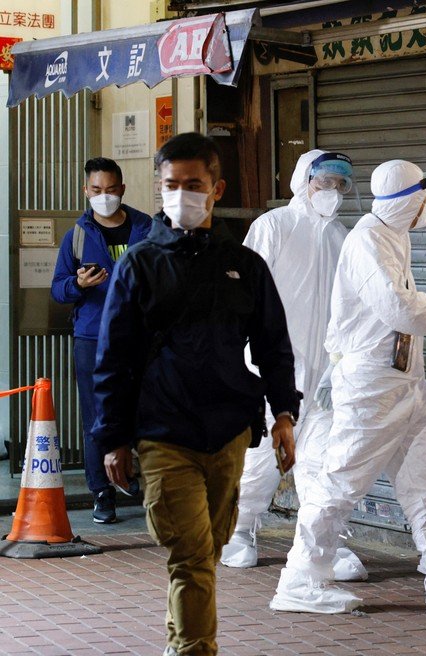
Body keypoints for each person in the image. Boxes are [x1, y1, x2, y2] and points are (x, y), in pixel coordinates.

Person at [270, 159, 426, 617]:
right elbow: (399, 310)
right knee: (341, 481)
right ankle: (301, 579)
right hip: (372, 389)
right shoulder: (366, 240)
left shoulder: (392, 237)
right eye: (423, 198)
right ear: (408, 201)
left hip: (404, 384)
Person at [91, 132, 299, 656]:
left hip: (228, 432)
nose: (181, 194)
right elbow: (112, 359)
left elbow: (274, 346)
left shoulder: (244, 265)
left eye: (193, 185)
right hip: (163, 432)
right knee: (189, 554)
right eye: (170, 185)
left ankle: (178, 643)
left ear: (216, 189)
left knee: (206, 552)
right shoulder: (138, 264)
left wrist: (284, 415)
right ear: (158, 189)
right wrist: (113, 439)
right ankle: (194, 650)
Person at [220, 150, 367, 581]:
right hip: (274, 369)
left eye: (340, 185)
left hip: (323, 374)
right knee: (261, 458)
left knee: (322, 461)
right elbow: (242, 293)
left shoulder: (343, 236)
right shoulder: (273, 227)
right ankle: (239, 531)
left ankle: (321, 543)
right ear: (304, 181)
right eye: (324, 183)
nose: (332, 192)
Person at [50, 157, 152, 524]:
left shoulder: (147, 228)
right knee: (97, 417)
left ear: (122, 189)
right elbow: (58, 289)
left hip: (139, 337)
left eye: (110, 190)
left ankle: (138, 480)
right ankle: (102, 493)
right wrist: (78, 284)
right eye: (97, 190)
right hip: (92, 338)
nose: (104, 196)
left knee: (146, 411)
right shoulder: (77, 235)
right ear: (86, 191)